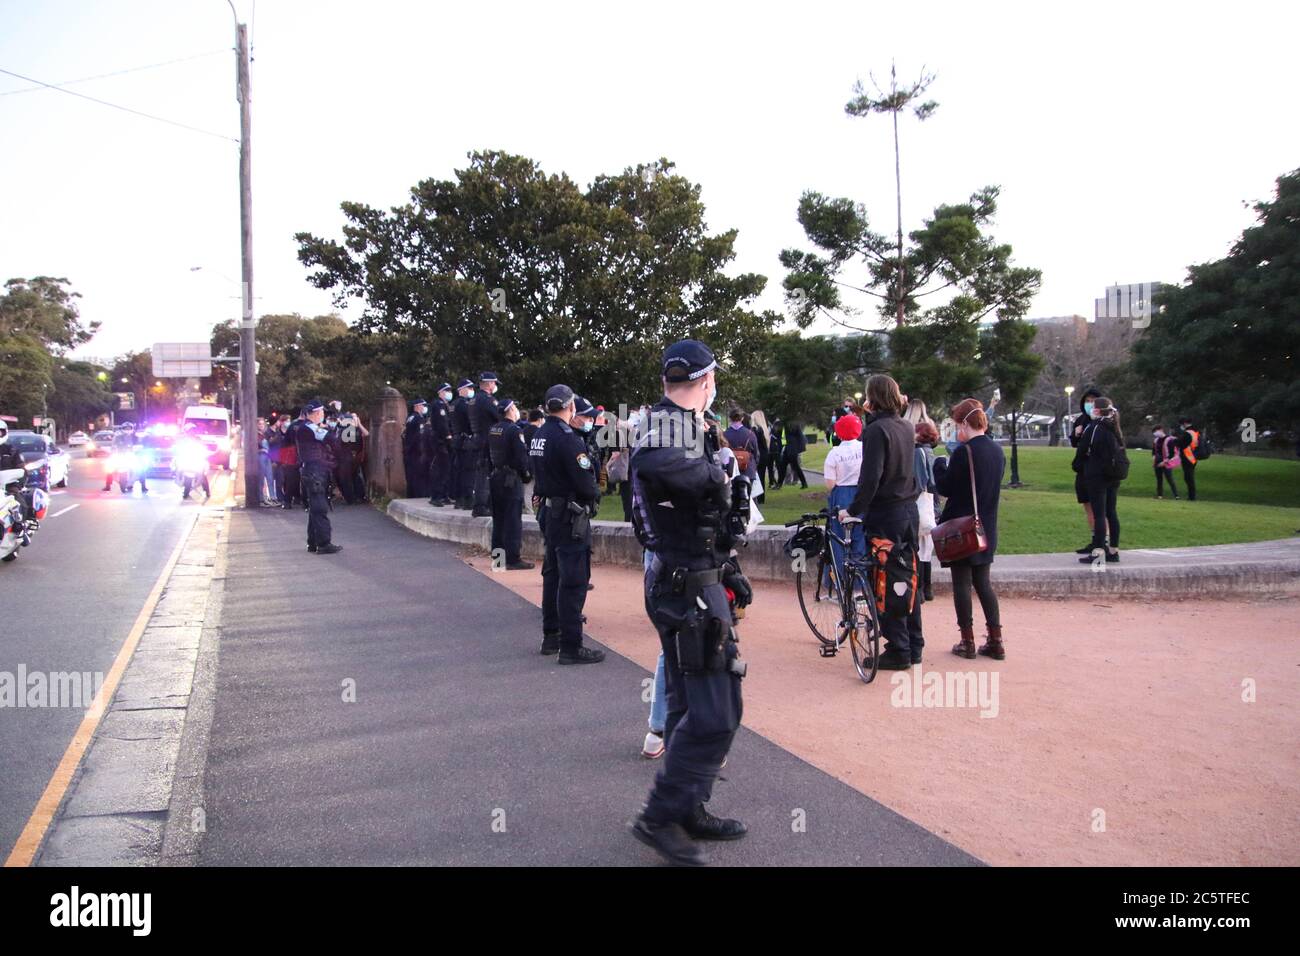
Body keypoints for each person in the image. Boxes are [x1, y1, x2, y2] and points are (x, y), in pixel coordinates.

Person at [628, 339, 750, 867]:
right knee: (718, 709)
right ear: (706, 381)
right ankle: (659, 816)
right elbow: (655, 464)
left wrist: (730, 569)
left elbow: (702, 517)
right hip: (684, 589)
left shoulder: (687, 426)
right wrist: (714, 477)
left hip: (693, 576)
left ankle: (687, 806)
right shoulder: (665, 428)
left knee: (684, 703)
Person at [844, 375, 922, 669]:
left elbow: (871, 477)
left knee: (887, 578)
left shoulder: (877, 430)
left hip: (887, 512)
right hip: (907, 509)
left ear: (871, 398)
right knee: (908, 576)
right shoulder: (905, 426)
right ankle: (913, 644)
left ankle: (898, 648)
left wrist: (853, 509)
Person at [530, 384, 604, 664]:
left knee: (553, 575)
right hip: (569, 516)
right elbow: (586, 485)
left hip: (550, 513)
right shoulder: (568, 439)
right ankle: (571, 646)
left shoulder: (539, 434)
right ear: (570, 405)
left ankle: (551, 636)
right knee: (573, 581)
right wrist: (593, 492)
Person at [933, 399, 1005, 659]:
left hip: (963, 528)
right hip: (987, 525)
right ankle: (996, 639)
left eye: (956, 425)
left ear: (964, 423)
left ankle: (967, 640)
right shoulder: (997, 451)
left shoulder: (965, 452)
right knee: (983, 583)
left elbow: (947, 487)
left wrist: (939, 465)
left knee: (962, 583)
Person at [1074, 396, 1124, 565]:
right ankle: (1113, 550)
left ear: (1096, 410)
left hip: (1097, 475)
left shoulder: (1095, 428)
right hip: (1113, 474)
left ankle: (1098, 552)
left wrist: (1078, 464)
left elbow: (1083, 449)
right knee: (1111, 512)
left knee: (1099, 514)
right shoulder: (1113, 427)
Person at [486, 397, 535, 571]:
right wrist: (526, 475)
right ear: (509, 410)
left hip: (496, 476)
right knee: (513, 520)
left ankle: (498, 560)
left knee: (498, 520)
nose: (516, 410)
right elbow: (521, 457)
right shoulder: (514, 430)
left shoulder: (493, 429)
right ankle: (513, 559)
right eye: (514, 407)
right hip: (511, 479)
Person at [294, 399, 342, 555]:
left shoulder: (306, 428)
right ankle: (323, 543)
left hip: (312, 470)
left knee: (315, 508)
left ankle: (313, 542)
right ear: (315, 413)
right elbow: (332, 440)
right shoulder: (309, 428)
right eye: (321, 412)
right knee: (320, 507)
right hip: (315, 471)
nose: (323, 415)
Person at [823, 413, 865, 583]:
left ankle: (841, 579)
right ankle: (861, 579)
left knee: (839, 537)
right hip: (861, 492)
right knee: (861, 536)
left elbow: (830, 482)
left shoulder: (835, 453)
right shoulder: (864, 448)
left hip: (841, 494)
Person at [1068, 387, 1103, 543]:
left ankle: (1104, 542)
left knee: (1100, 509)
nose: (1090, 404)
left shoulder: (1103, 420)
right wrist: (1076, 434)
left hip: (1097, 469)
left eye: (1093, 401)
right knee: (1087, 505)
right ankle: (1095, 539)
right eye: (1087, 401)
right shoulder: (1081, 420)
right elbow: (1075, 443)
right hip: (1082, 469)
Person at [469, 372, 503, 517]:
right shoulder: (488, 400)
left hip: (477, 438)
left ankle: (480, 504)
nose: (495, 386)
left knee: (480, 472)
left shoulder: (473, 400)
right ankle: (482, 506)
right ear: (489, 384)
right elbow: (499, 416)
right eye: (494, 383)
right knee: (486, 474)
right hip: (487, 439)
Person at [914, 421, 940, 602]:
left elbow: (919, 481)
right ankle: (927, 588)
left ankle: (920, 589)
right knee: (927, 548)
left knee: (918, 546)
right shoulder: (933, 454)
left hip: (921, 501)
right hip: (933, 503)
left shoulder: (917, 453)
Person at [426, 383, 455, 507]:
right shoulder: (438, 405)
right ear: (440, 392)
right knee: (441, 468)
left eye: (449, 390)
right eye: (446, 390)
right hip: (440, 440)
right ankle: (436, 496)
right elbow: (442, 423)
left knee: (446, 468)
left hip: (443, 440)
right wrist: (448, 435)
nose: (449, 393)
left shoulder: (445, 405)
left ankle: (443, 495)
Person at [450, 379, 475, 509]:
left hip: (457, 439)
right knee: (468, 471)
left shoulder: (453, 404)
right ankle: (467, 499)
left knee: (459, 471)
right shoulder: (465, 404)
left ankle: (458, 499)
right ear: (461, 390)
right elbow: (471, 422)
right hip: (466, 440)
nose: (471, 390)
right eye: (469, 388)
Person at [403, 399, 430, 500]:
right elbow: (420, 436)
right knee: (418, 476)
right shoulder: (418, 418)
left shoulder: (410, 417)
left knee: (411, 475)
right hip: (416, 451)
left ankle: (411, 495)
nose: (424, 407)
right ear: (417, 406)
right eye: (423, 405)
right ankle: (419, 496)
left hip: (409, 450)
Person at [519, 408, 544, 515]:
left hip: (525, 461)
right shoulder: (539, 432)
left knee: (527, 489)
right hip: (535, 462)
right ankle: (532, 511)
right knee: (533, 489)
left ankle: (527, 509)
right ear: (539, 419)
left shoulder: (523, 430)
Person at [281, 413, 304, 510]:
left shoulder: (292, 426)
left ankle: (292, 500)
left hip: (291, 455)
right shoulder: (304, 425)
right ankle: (292, 500)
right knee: (294, 479)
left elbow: (286, 442)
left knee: (293, 479)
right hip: (297, 455)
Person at [1152, 425, 1181, 500]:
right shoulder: (1156, 440)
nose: (1155, 433)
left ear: (1161, 430)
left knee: (1169, 479)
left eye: (1156, 431)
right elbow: (1154, 451)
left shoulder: (1169, 440)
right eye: (1154, 432)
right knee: (1159, 479)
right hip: (1157, 462)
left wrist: (1164, 462)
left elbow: (1172, 453)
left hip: (1167, 462)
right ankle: (1159, 495)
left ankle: (1176, 495)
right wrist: (1154, 458)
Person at [1176, 417, 1201, 501]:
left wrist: (1175, 440)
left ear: (1184, 423)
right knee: (1189, 477)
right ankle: (1191, 496)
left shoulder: (1187, 433)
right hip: (1193, 457)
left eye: (1181, 424)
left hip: (1187, 457)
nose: (1181, 426)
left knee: (1188, 478)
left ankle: (1191, 497)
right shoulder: (1195, 432)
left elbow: (1181, 444)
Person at [749, 410, 771, 504]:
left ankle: (757, 497)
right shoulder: (763, 429)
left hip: (758, 455)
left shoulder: (755, 429)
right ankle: (761, 497)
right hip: (764, 455)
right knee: (761, 476)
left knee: (756, 476)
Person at [780, 420, 808, 489]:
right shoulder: (789, 425)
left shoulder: (793, 426)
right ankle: (779, 484)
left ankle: (804, 483)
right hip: (788, 448)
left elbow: (799, 437)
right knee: (784, 467)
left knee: (795, 467)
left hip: (792, 449)